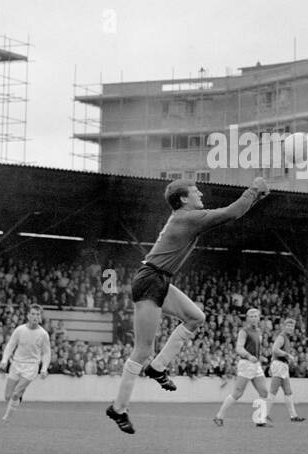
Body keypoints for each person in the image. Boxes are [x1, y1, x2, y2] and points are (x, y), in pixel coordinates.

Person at [106, 177, 269, 435]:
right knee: (141, 350)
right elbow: (232, 212)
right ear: (183, 199)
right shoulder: (187, 217)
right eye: (195, 191)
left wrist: (258, 195)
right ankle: (118, 408)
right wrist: (254, 190)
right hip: (150, 280)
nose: (200, 193)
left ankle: (158, 368)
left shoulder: (185, 217)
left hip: (159, 279)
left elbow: (234, 210)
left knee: (196, 317)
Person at [213, 307, 273, 426]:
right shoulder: (244, 331)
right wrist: (249, 356)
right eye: (251, 316)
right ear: (247, 318)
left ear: (259, 318)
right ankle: (219, 416)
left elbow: (256, 350)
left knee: (264, 392)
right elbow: (239, 348)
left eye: (255, 316)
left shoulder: (259, 332)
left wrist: (260, 357)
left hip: (256, 365)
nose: (253, 318)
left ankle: (260, 420)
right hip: (246, 364)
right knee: (238, 393)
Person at [0, 305, 50, 422]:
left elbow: (47, 353)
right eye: (33, 314)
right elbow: (11, 345)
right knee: (8, 396)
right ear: (28, 315)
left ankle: (6, 418)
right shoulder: (20, 330)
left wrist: (44, 368)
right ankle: (18, 396)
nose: (35, 317)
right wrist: (4, 360)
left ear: (40, 317)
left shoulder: (43, 334)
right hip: (16, 364)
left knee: (16, 393)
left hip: (31, 366)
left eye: (38, 314)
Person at [266, 315, 305, 422]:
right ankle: (263, 414)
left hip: (282, 365)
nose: (290, 328)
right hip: (279, 364)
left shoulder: (286, 337)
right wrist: (287, 355)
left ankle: (294, 416)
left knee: (288, 391)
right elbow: (274, 349)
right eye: (288, 326)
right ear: (284, 327)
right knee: (273, 391)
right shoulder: (282, 336)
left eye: (292, 327)